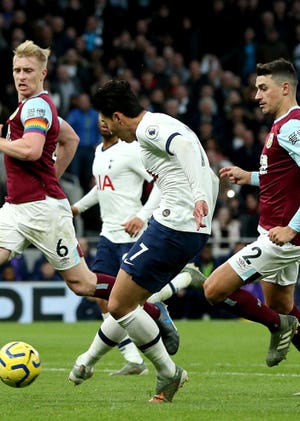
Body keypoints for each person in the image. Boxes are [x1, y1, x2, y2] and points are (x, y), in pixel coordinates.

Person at [0, 41, 177, 384]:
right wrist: (49, 178)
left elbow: (31, 149)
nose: (21, 77)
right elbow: (69, 140)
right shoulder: (32, 107)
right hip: (16, 207)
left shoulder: (37, 109)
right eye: (17, 71)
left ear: (43, 73)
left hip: (43, 212)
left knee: (83, 284)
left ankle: (150, 306)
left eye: (28, 70)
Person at [203, 59, 300, 395]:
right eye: (255, 88)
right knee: (280, 302)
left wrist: (292, 228)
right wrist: (248, 177)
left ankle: (280, 327)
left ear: (285, 88)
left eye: (263, 88)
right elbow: (281, 176)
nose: (256, 95)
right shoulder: (282, 125)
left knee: (213, 289)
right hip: (278, 233)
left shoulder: (294, 126)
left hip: (283, 237)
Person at [88, 79, 219, 402]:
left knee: (118, 304)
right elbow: (207, 170)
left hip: (174, 225)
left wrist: (198, 198)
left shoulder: (149, 130)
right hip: (187, 227)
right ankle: (176, 291)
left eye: (108, 122)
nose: (109, 130)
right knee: (125, 301)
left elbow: (186, 150)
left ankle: (167, 371)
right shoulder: (162, 122)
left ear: (119, 117)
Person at [69, 115, 203, 379]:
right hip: (108, 234)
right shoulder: (99, 151)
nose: (104, 122)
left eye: (109, 117)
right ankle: (133, 359)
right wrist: (78, 208)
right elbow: (101, 188)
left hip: (132, 233)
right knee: (102, 298)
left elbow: (158, 184)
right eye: (100, 117)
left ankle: (169, 295)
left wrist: (142, 215)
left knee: (128, 297)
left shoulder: (131, 151)